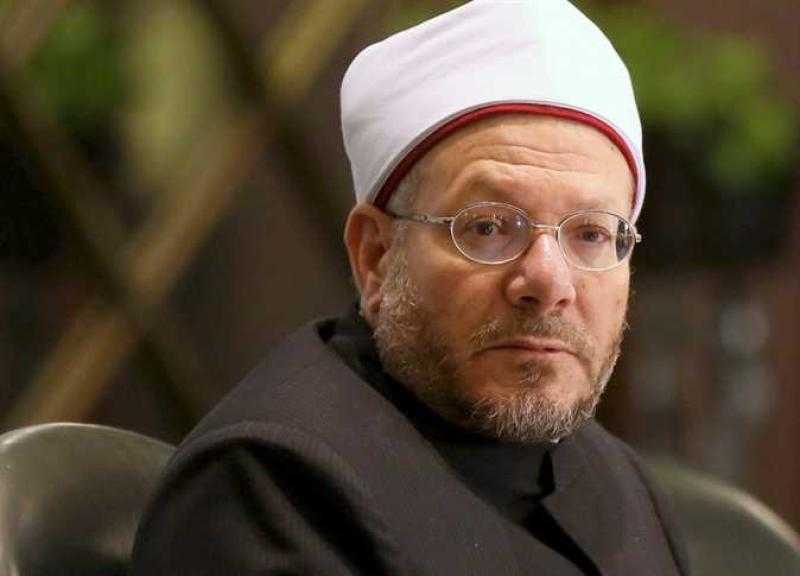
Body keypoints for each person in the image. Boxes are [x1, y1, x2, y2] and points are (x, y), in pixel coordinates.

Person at [133, 1, 689, 574]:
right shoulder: (272, 487)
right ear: (375, 254)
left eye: (592, 234)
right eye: (488, 227)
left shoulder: (621, 484)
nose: (549, 282)